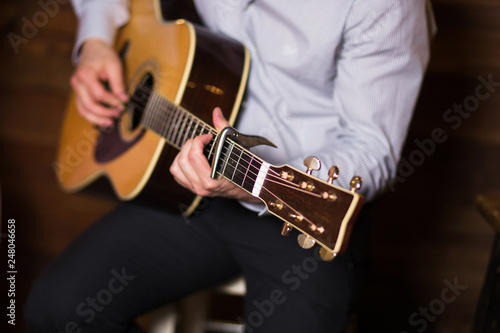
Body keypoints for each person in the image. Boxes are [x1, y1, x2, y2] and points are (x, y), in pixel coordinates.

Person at [24, 0, 436, 332]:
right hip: (192, 183)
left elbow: (370, 149)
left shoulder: (387, 6)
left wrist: (249, 184)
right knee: (57, 310)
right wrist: (96, 41)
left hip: (300, 212)